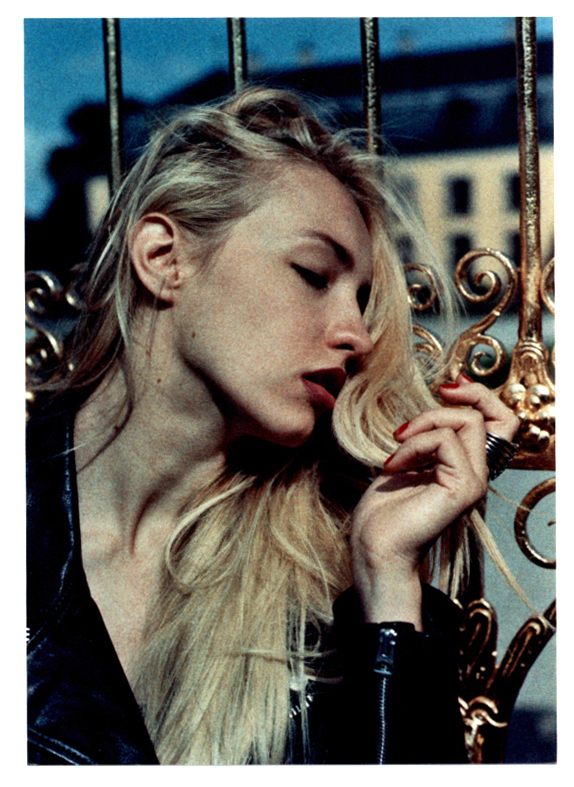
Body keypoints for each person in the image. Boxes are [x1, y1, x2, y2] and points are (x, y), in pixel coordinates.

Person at [26, 86, 520, 765]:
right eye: (313, 274)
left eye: (362, 299)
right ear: (164, 258)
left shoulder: (324, 577)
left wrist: (387, 587)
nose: (356, 334)